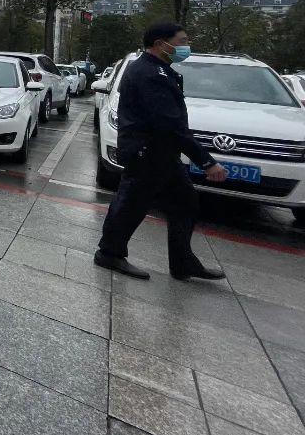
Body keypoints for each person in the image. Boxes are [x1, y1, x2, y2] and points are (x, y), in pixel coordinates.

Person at [95, 22, 228, 281]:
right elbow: (169, 124)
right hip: (148, 153)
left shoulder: (158, 70)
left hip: (161, 153)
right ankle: (109, 253)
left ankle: (182, 262)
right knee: (132, 204)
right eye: (181, 42)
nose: (185, 47)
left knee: (184, 203)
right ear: (160, 44)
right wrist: (206, 161)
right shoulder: (149, 74)